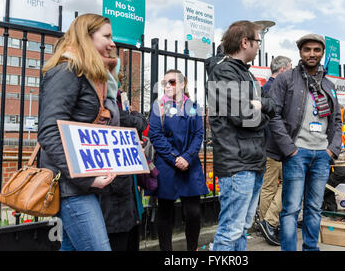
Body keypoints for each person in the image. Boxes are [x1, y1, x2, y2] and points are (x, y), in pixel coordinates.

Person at [38, 14, 118, 251]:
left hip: (84, 184)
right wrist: (86, 178)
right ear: (87, 36)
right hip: (70, 186)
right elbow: (49, 131)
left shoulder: (88, 74)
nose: (113, 43)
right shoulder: (66, 71)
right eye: (107, 36)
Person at [267, 33, 342, 251]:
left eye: (316, 50)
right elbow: (273, 115)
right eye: (307, 49)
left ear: (322, 53)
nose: (312, 54)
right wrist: (290, 150)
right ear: (300, 52)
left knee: (314, 207)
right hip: (297, 153)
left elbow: (337, 120)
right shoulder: (286, 79)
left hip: (322, 155)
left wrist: (332, 150)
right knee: (291, 209)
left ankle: (311, 248)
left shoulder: (328, 85)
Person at [206, 20, 275, 251]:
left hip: (252, 161)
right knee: (230, 231)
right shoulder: (223, 71)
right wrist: (261, 110)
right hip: (237, 164)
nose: (259, 46)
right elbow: (244, 116)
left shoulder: (246, 74)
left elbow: (270, 105)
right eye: (258, 41)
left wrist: (260, 106)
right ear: (245, 42)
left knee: (242, 228)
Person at [149, 69, 208, 251]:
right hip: (167, 164)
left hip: (189, 164)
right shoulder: (158, 106)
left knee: (193, 213)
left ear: (183, 84)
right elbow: (155, 135)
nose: (167, 85)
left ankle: (192, 250)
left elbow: (199, 135)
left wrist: (187, 157)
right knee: (165, 212)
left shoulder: (194, 107)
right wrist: (175, 158)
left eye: (172, 82)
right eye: (165, 82)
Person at [99, 65, 148, 251]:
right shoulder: (104, 101)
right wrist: (134, 119)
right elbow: (131, 121)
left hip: (126, 176)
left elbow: (140, 122)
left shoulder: (119, 98)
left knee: (129, 229)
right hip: (110, 178)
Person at [258, 55, 292, 246]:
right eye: (290, 68)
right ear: (283, 70)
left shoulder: (264, 89)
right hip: (279, 146)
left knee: (269, 187)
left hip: (266, 145)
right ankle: (269, 223)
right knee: (290, 184)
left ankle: (266, 225)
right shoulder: (279, 89)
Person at [322, 104, 345, 212]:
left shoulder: (341, 107)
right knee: (325, 175)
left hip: (339, 147)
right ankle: (331, 208)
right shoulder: (323, 106)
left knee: (341, 172)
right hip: (324, 146)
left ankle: (319, 192)